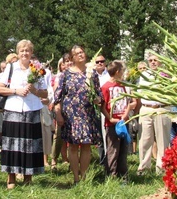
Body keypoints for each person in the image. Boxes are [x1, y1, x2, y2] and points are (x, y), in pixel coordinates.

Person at [0, 39, 48, 189]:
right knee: (12, 144)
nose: (24, 53)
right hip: (13, 109)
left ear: (32, 53)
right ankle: (11, 177)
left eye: (27, 50)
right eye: (22, 50)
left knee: (30, 144)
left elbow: (45, 92)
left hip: (31, 110)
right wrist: (15, 91)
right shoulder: (11, 68)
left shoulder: (37, 70)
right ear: (17, 53)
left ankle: (28, 177)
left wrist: (35, 91)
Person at [53, 45, 103, 185]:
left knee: (86, 145)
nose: (81, 54)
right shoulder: (66, 74)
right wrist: (59, 115)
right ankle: (76, 177)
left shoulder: (92, 73)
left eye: (82, 52)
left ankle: (84, 176)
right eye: (77, 53)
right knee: (73, 146)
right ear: (73, 57)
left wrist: (98, 99)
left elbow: (99, 93)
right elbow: (58, 97)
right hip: (71, 115)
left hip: (87, 114)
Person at [101, 60, 137, 180]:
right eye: (122, 71)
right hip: (112, 124)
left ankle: (123, 176)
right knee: (113, 150)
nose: (123, 73)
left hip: (123, 122)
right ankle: (111, 175)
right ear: (117, 72)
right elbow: (102, 106)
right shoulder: (106, 87)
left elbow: (128, 102)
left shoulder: (122, 86)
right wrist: (110, 118)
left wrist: (126, 114)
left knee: (123, 150)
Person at [137, 53, 171, 174]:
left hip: (162, 109)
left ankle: (161, 168)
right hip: (146, 109)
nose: (152, 62)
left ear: (160, 61)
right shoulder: (144, 75)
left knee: (162, 140)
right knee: (144, 140)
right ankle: (143, 168)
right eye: (150, 60)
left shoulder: (167, 76)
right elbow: (140, 92)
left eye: (155, 60)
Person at [50, 53, 72, 170]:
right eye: (66, 61)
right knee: (58, 135)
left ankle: (70, 160)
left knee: (71, 136)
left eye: (70, 61)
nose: (68, 63)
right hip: (61, 106)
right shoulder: (60, 76)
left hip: (73, 109)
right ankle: (54, 159)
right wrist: (58, 111)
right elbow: (56, 94)